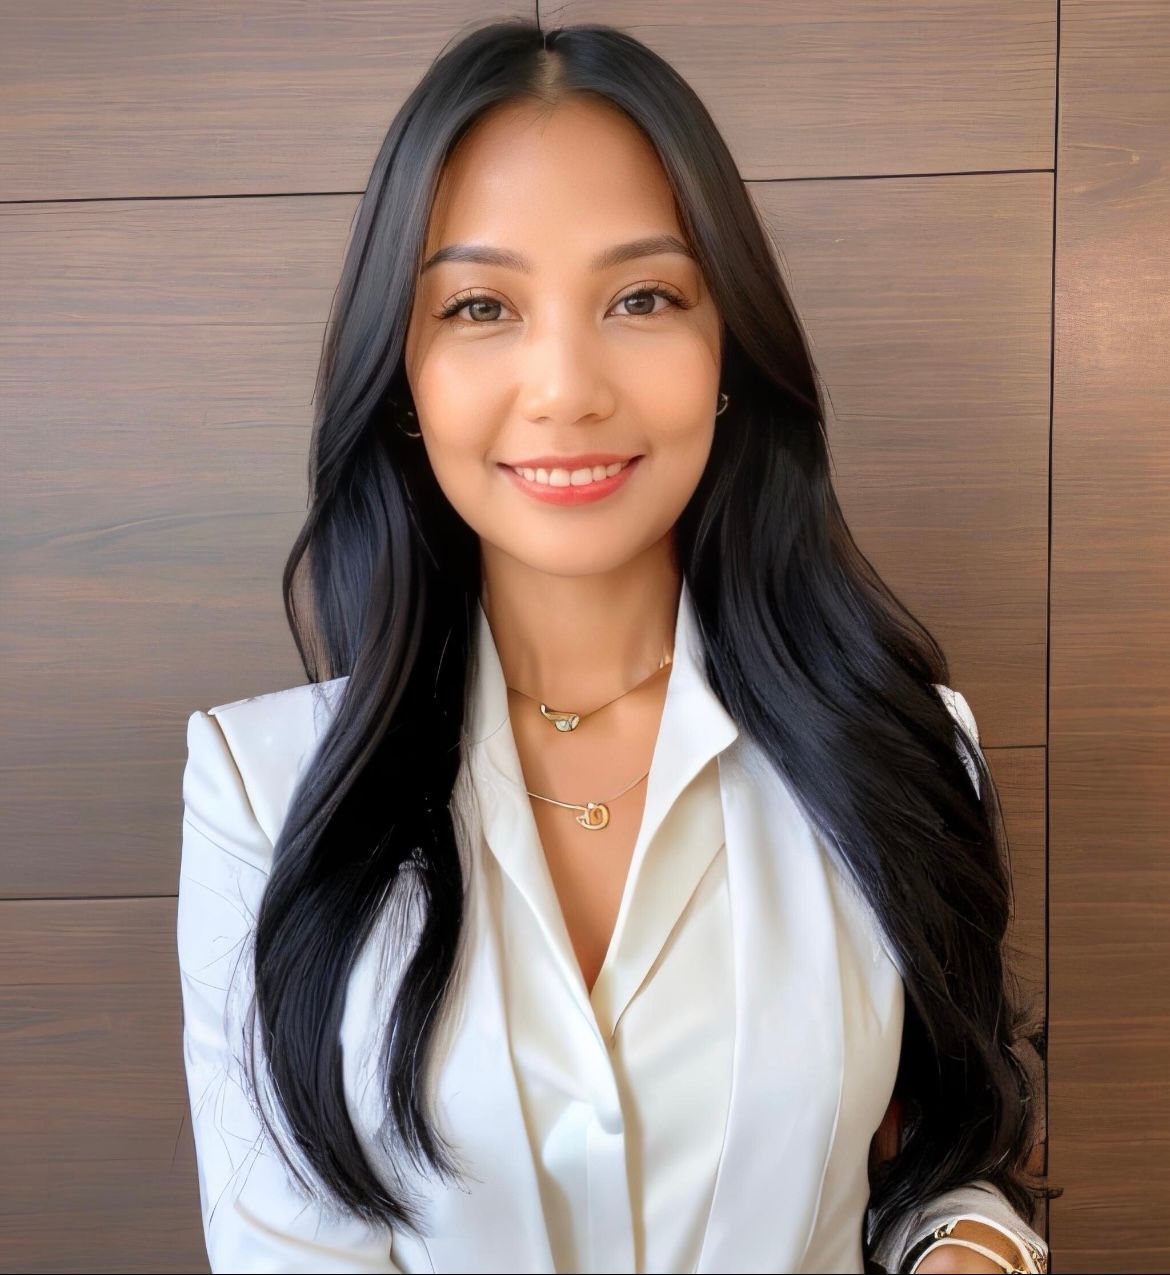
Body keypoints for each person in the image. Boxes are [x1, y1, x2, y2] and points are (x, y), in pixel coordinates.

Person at [176, 19, 1057, 1274]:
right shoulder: (262, 796)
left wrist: (976, 1245)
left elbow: (942, 1169)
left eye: (643, 297)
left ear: (728, 354)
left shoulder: (905, 745)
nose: (567, 386)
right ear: (403, 381)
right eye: (481, 306)